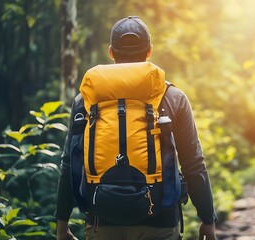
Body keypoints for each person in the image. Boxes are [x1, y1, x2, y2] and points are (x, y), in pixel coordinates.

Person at [55, 16, 217, 240]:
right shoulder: (172, 98)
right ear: (149, 51)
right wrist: (208, 220)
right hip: (159, 223)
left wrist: (61, 225)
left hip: (102, 223)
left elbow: (68, 163)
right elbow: (193, 163)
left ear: (111, 52)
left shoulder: (85, 101)